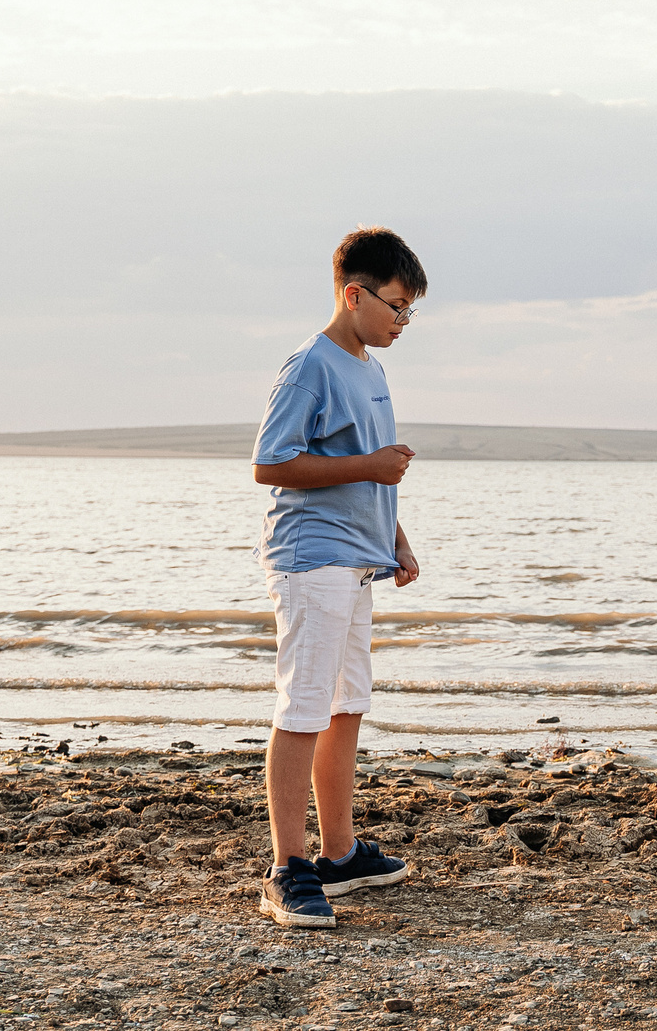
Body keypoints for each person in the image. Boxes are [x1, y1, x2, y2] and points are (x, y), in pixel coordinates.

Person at [250, 226, 428, 929]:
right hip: (311, 556)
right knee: (303, 707)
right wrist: (371, 469)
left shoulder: (371, 367)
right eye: (396, 306)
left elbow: (371, 467)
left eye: (410, 311)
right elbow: (270, 462)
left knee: (347, 702)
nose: (402, 322)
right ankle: (286, 868)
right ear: (354, 294)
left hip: (358, 559)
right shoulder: (310, 366)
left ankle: (341, 853)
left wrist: (397, 538)